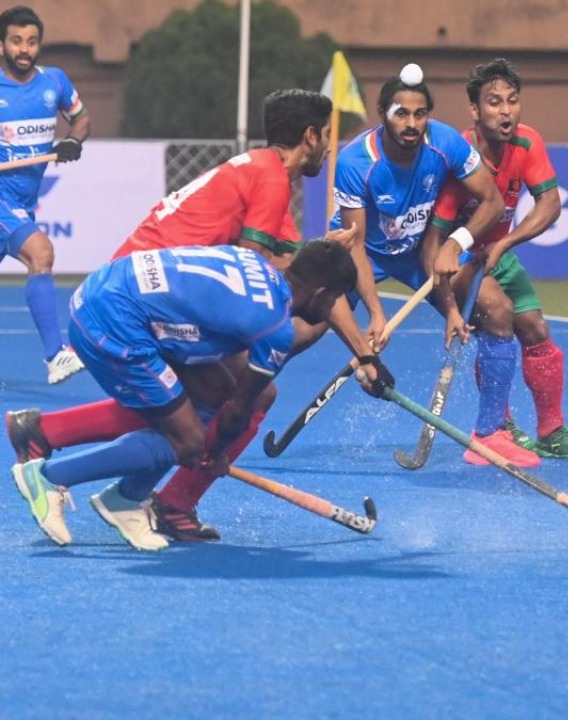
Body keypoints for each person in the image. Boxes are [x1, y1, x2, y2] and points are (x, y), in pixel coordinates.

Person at [4, 89, 390, 543]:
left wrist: (363, 352)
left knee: (196, 405)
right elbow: (283, 304)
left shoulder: (261, 173)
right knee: (225, 407)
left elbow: (305, 285)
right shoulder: (271, 181)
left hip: (135, 286)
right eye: (326, 136)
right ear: (308, 136)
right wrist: (215, 451)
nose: (328, 146)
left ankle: (54, 437)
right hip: (143, 305)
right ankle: (164, 499)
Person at [9, 240, 361, 550]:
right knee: (190, 443)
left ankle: (124, 499)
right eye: (336, 298)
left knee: (215, 393)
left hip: (110, 294)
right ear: (320, 294)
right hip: (112, 323)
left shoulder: (259, 269)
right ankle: (49, 477)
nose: (335, 306)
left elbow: (231, 390)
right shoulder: (274, 326)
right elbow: (241, 409)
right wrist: (217, 453)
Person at [329, 65, 532, 465]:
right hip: (363, 252)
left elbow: (492, 202)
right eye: (401, 113)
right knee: (304, 329)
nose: (411, 123)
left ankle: (491, 433)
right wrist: (374, 312)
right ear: (382, 113)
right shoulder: (356, 160)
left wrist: (456, 251)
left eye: (420, 114)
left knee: (498, 312)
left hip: (421, 254)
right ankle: (234, 407)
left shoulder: (446, 143)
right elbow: (354, 248)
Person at [427, 58, 568, 462]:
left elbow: (550, 204)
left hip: (496, 252)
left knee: (536, 328)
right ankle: (493, 427)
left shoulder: (527, 142)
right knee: (498, 317)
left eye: (512, 101)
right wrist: (449, 290)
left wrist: (506, 243)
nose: (505, 111)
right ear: (474, 110)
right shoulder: (459, 155)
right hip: (460, 257)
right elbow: (437, 237)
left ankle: (551, 432)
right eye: (494, 102)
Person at [0, 5, 90, 383]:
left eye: (32, 41)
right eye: (16, 41)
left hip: (22, 202)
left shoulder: (55, 82)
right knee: (42, 252)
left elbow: (81, 117)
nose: (24, 49)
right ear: (2, 44)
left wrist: (71, 139)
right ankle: (56, 356)